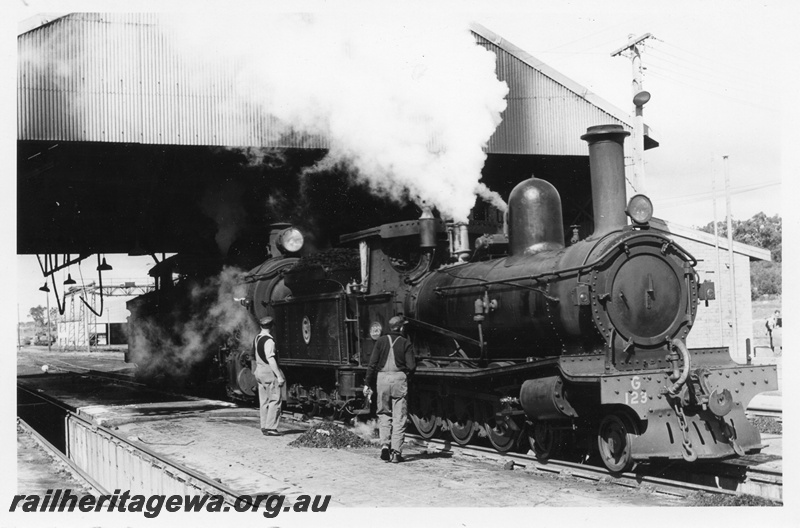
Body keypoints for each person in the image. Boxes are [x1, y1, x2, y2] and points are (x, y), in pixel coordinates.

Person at [364, 315, 416, 463]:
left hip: (382, 380)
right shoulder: (406, 342)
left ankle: (385, 446)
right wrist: (405, 376)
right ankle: (396, 452)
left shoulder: (380, 341)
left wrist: (368, 383)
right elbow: (411, 366)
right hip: (399, 379)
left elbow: (372, 364)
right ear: (401, 327)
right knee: (399, 417)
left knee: (383, 413)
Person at [253, 316, 285, 436]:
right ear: (271, 327)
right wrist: (279, 375)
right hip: (268, 371)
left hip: (259, 370)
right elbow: (270, 358)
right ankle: (271, 427)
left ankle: (264, 426)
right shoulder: (269, 341)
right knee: (275, 399)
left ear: (261, 326)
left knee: (264, 400)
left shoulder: (257, 338)